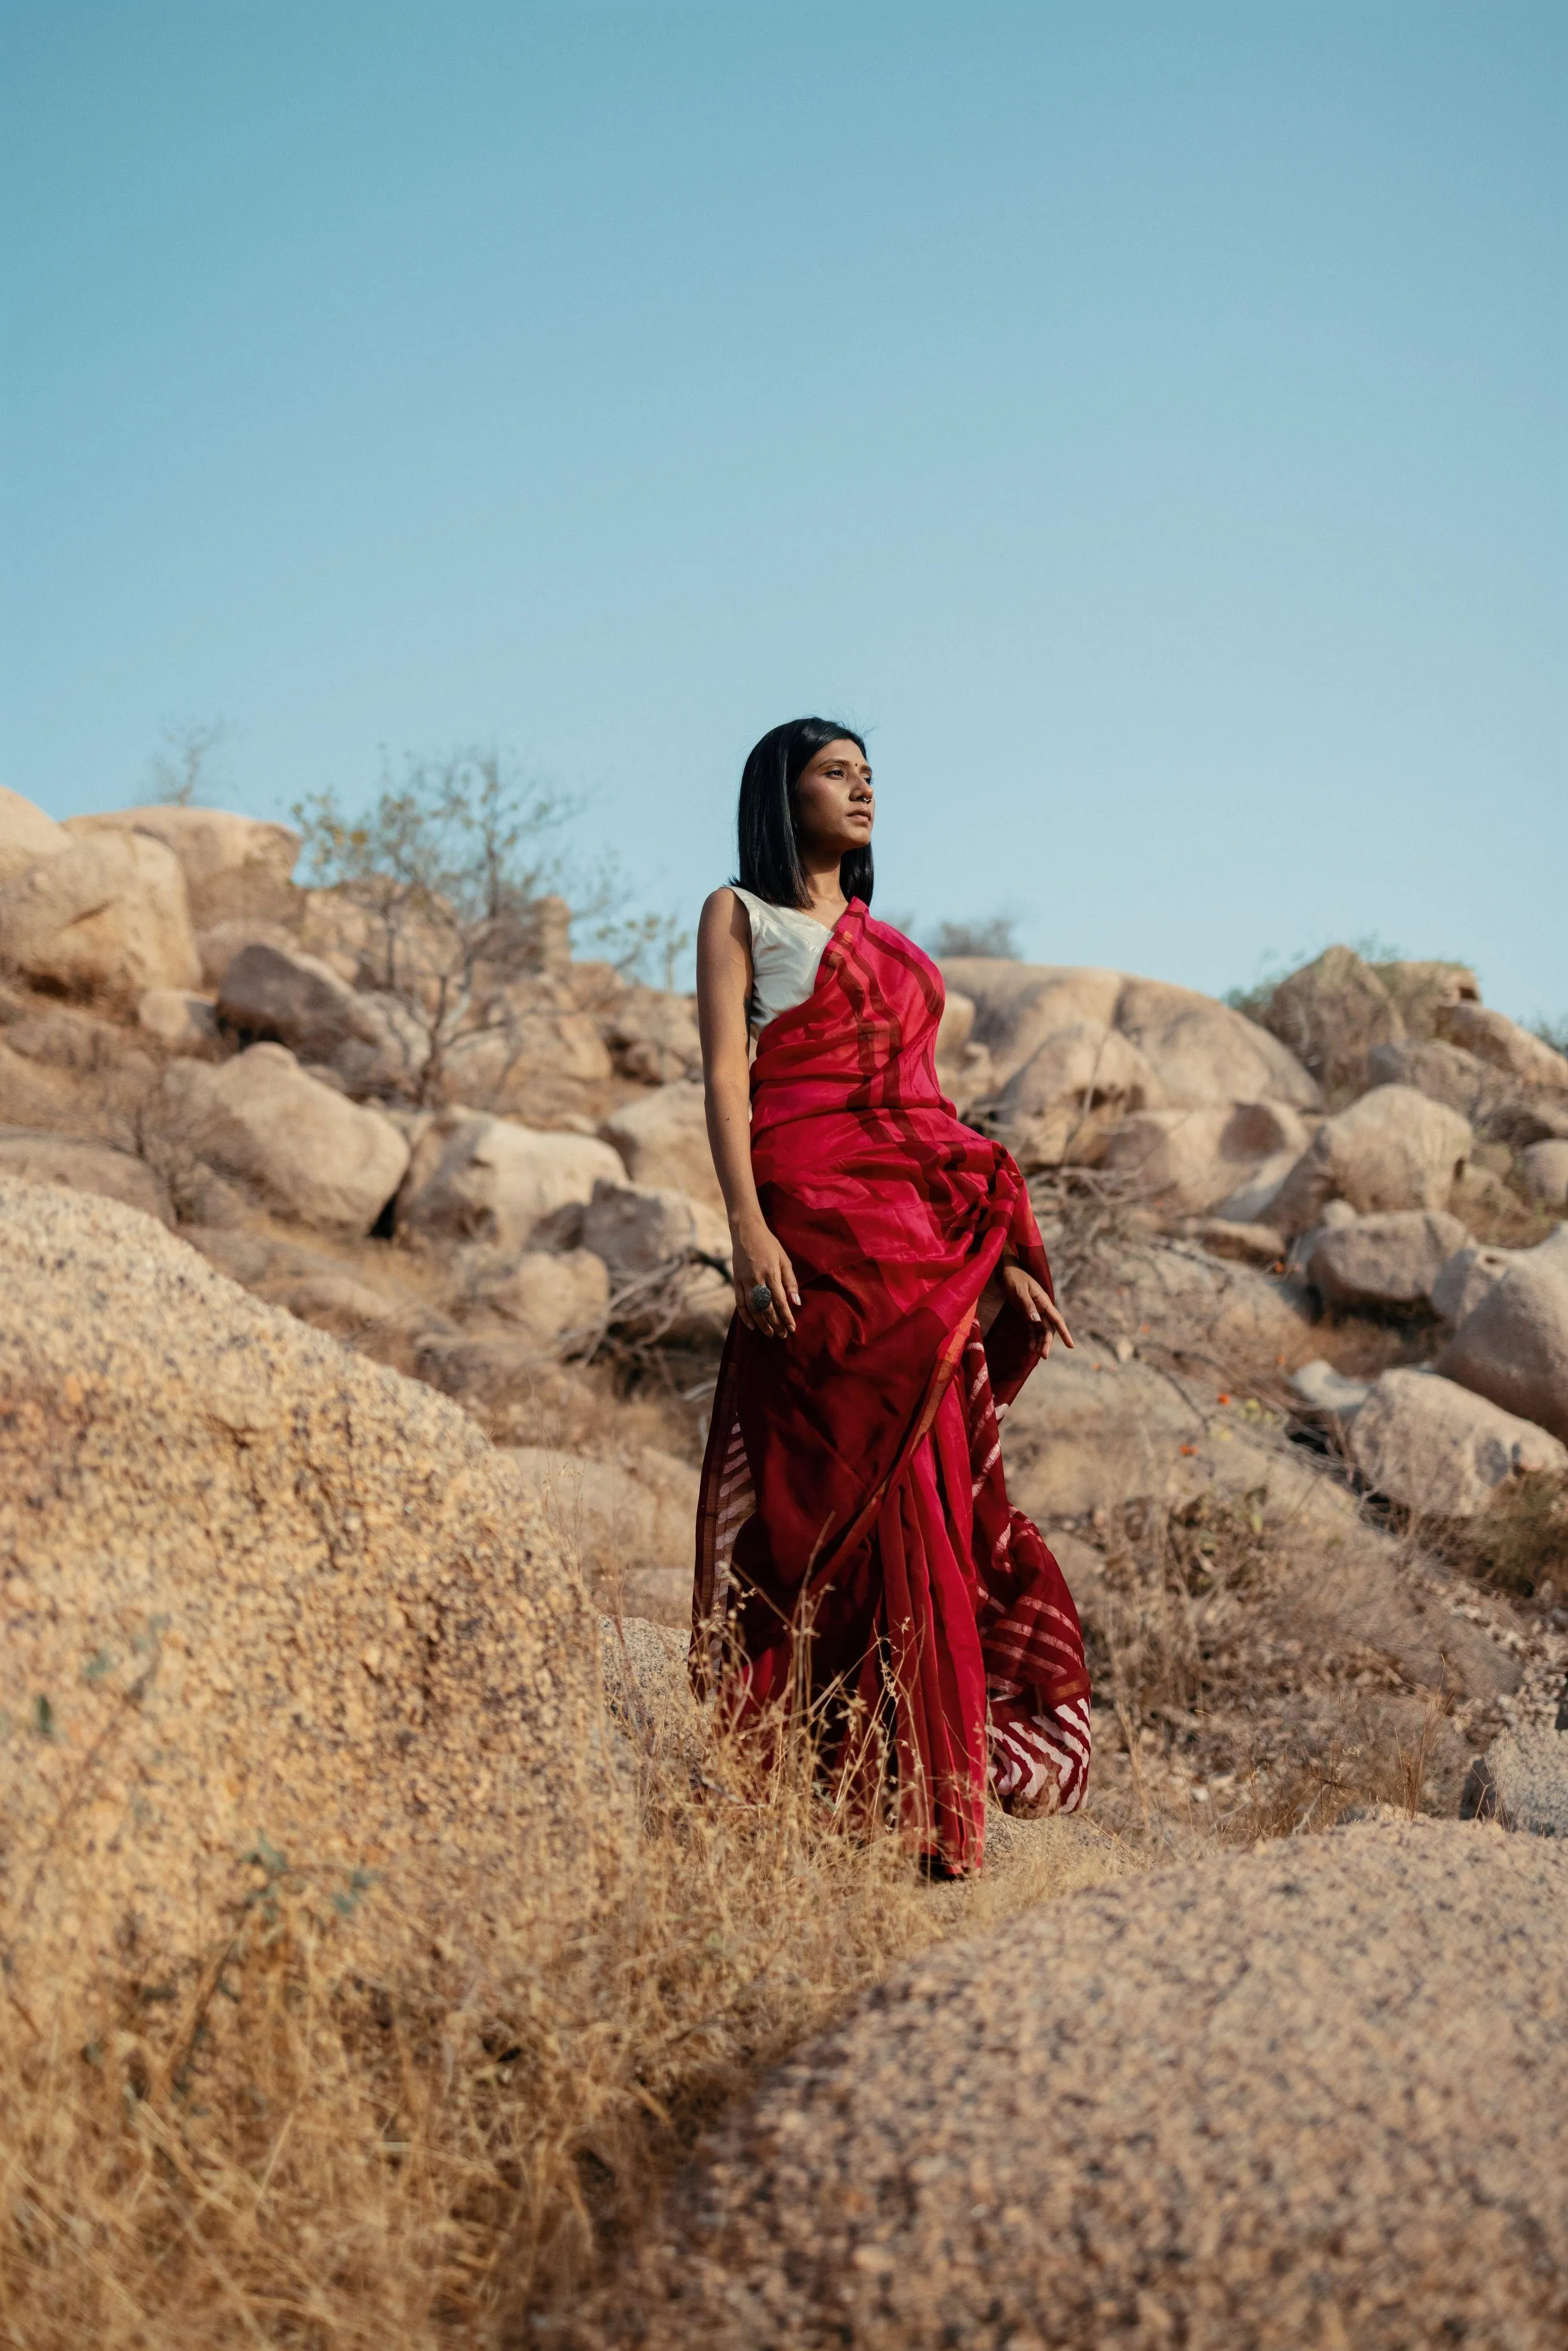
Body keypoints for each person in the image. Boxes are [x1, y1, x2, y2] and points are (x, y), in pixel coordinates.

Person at [691, 715, 1091, 1874]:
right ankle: (789, 1782)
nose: (862, 790)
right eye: (834, 772)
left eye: (869, 774)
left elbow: (922, 1108)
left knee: (922, 1500)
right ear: (782, 790)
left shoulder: (891, 945)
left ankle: (935, 1815)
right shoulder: (740, 915)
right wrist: (746, 1225)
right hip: (810, 1234)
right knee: (817, 1507)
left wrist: (1000, 1246)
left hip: (914, 1246)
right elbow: (726, 1078)